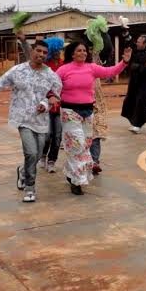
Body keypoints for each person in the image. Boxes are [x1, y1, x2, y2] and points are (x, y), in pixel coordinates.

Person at [0, 39, 61, 203]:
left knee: (36, 156)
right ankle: (30, 188)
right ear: (31, 51)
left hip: (41, 121)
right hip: (22, 119)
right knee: (30, 152)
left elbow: (57, 92)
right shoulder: (17, 71)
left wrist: (46, 103)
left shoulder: (51, 75)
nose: (41, 55)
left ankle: (23, 171)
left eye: (45, 52)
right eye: (38, 51)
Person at [57, 41, 131, 194]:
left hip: (88, 112)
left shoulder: (91, 68)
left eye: (85, 50)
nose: (83, 53)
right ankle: (76, 182)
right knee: (76, 145)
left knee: (85, 145)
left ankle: (71, 174)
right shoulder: (63, 70)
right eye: (79, 50)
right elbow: (51, 85)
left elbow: (110, 71)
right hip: (70, 111)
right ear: (72, 53)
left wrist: (124, 61)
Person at [121, 34, 146, 133]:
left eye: (139, 42)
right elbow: (129, 42)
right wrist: (126, 32)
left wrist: (137, 67)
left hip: (145, 83)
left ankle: (138, 125)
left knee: (141, 102)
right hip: (134, 82)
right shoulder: (135, 51)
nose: (137, 43)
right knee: (130, 101)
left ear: (145, 44)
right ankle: (143, 120)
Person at [39, 37, 65, 173]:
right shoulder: (45, 66)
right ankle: (43, 155)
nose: (58, 52)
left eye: (59, 50)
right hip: (47, 104)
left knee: (58, 136)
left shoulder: (63, 64)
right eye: (55, 50)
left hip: (61, 105)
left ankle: (52, 161)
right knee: (48, 135)